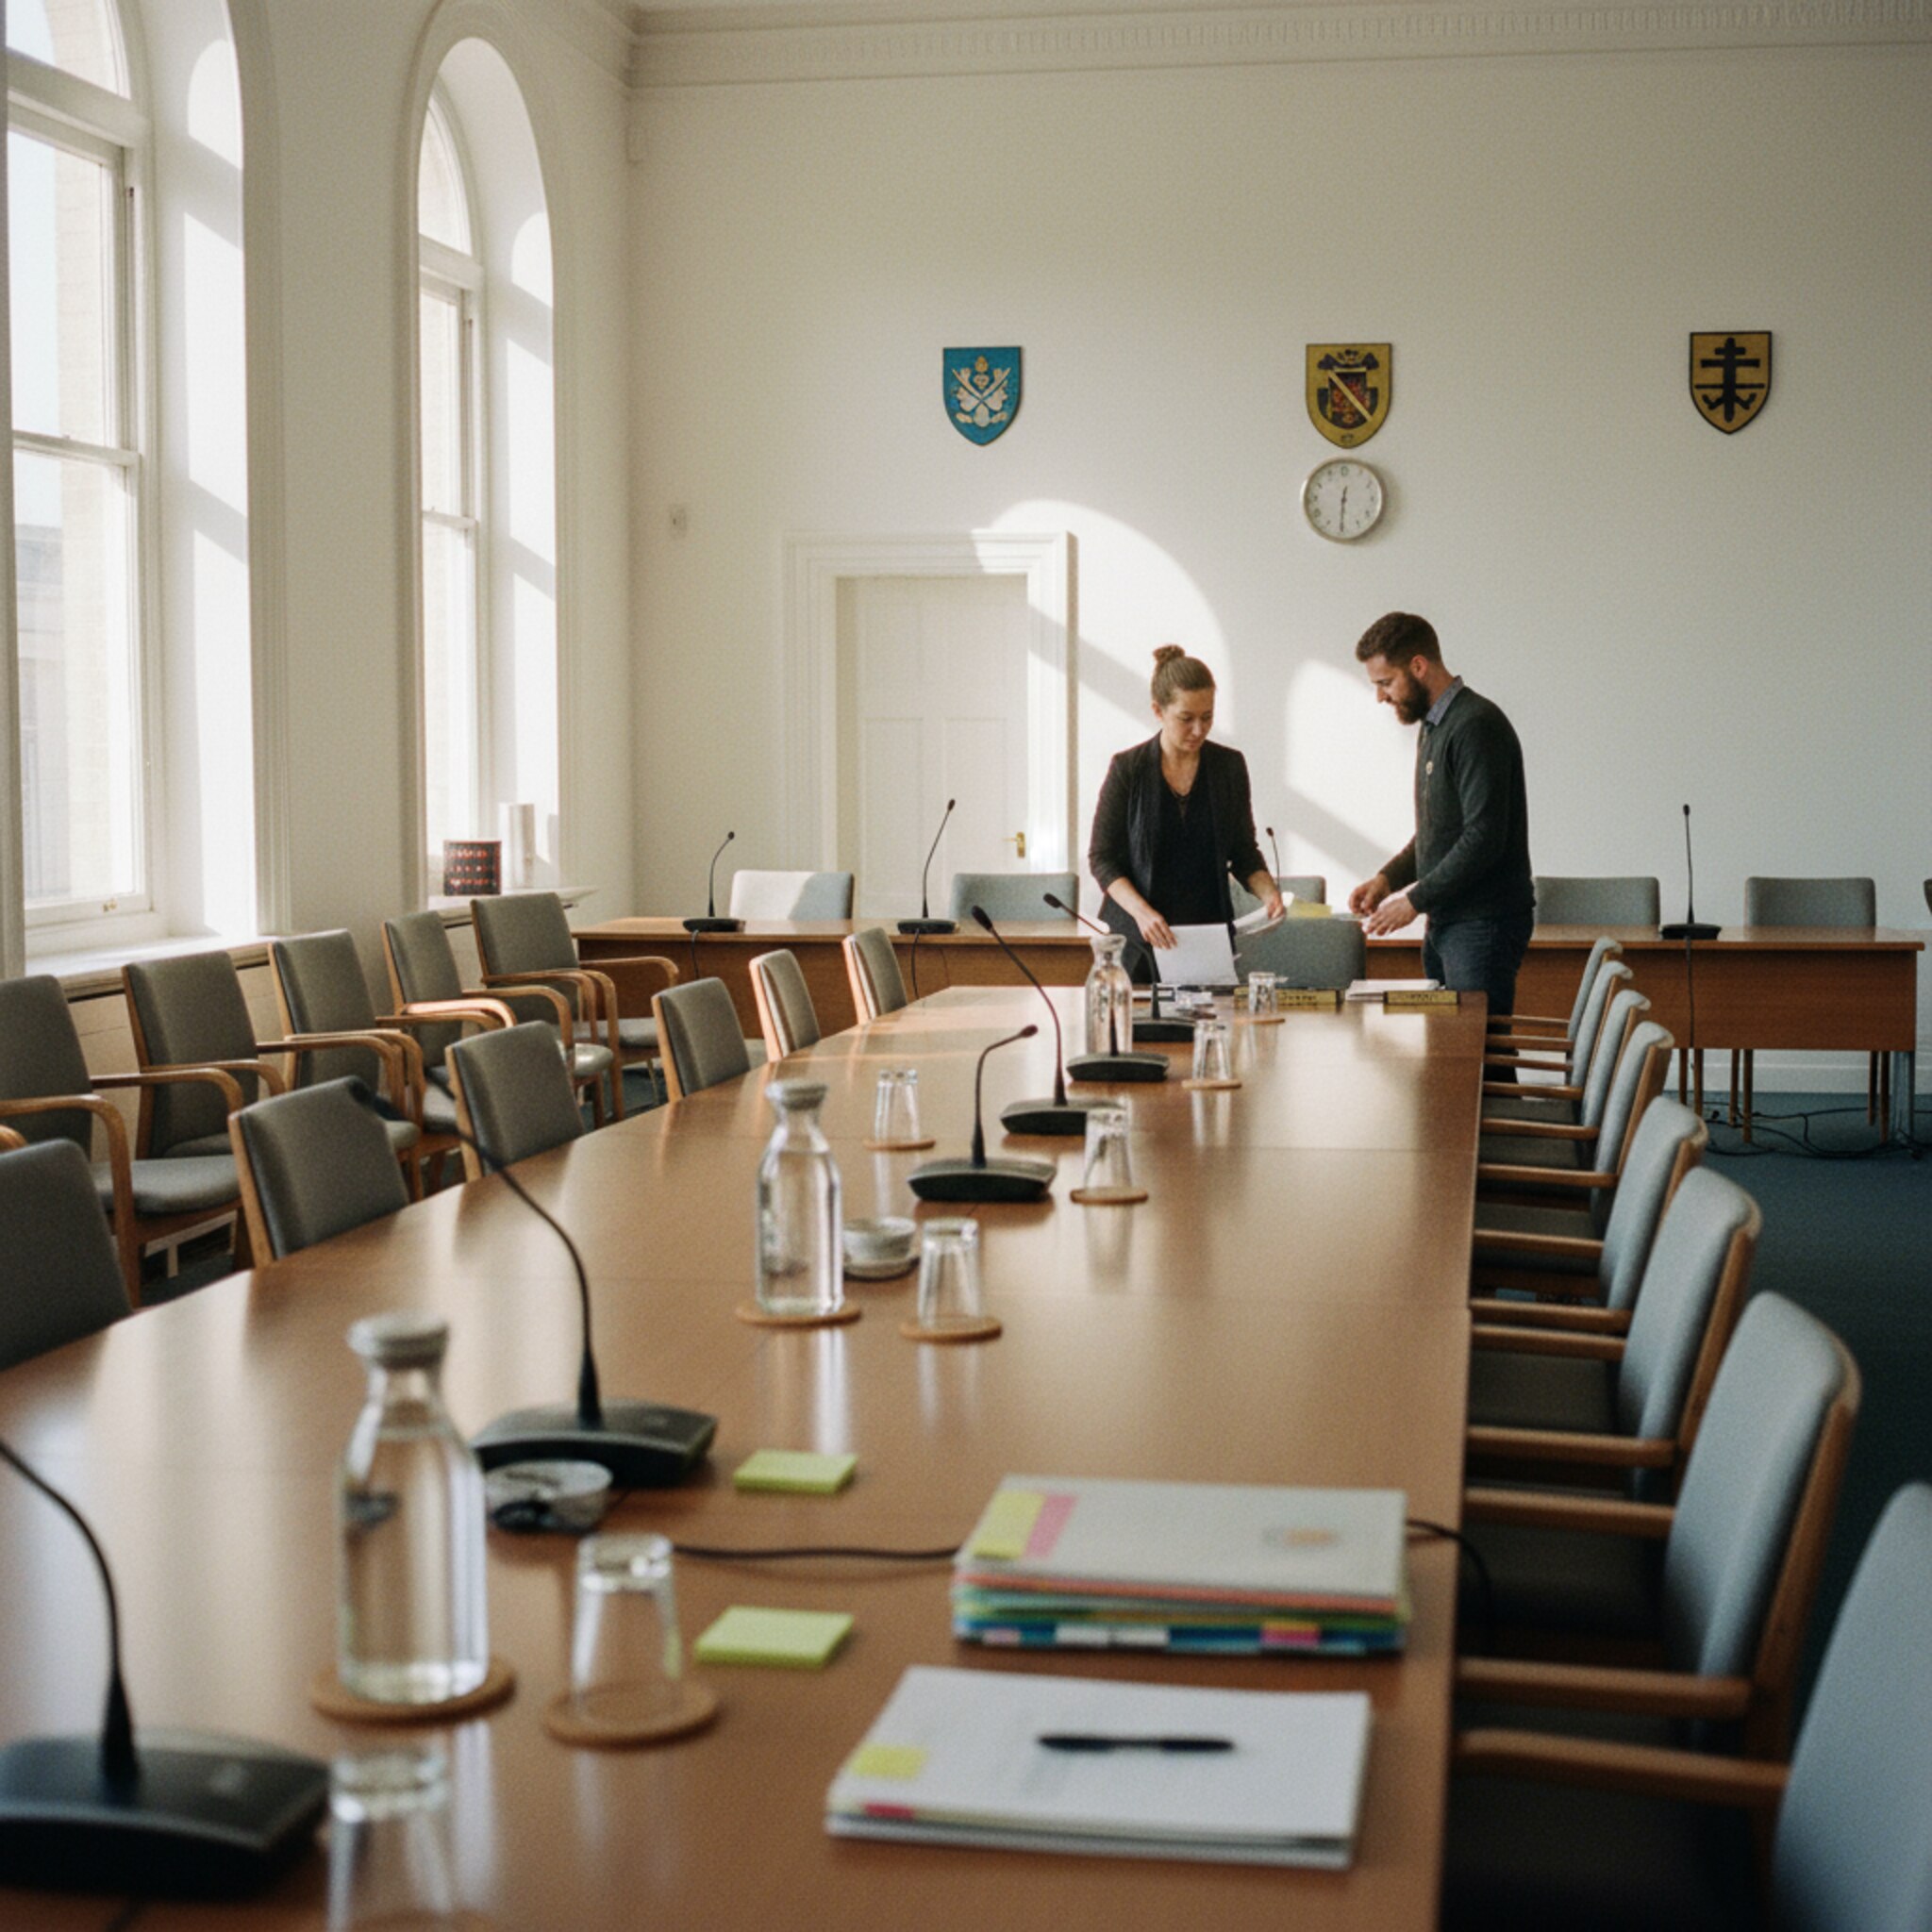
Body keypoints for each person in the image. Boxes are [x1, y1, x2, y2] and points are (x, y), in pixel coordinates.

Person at [1347, 612, 1535, 1017]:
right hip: (1450, 922)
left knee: (1483, 1055)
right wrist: (1387, 880)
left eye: (1385, 682)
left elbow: (1483, 837)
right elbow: (1437, 833)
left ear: (1418, 666)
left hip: (1483, 924)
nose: (1380, 696)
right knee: (1459, 1055)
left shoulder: (1475, 725)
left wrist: (1412, 900)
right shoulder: (1434, 727)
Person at [1089, 646, 1284, 974]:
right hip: (1139, 938)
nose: (1198, 730)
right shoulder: (1128, 769)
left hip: (1207, 936)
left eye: (1207, 717)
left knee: (1212, 1024)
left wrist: (1269, 893)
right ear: (1158, 711)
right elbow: (1102, 858)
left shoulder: (1229, 766)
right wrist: (1142, 912)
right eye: (1186, 718)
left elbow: (1244, 851)